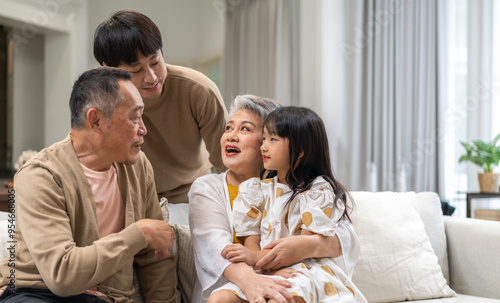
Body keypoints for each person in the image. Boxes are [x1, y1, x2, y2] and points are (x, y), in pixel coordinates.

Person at [0, 67, 177, 303]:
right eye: (134, 118)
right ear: (96, 120)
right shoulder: (40, 175)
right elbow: (62, 275)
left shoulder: (139, 167)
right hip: (37, 293)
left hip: (107, 299)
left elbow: (156, 257)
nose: (143, 129)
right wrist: (139, 233)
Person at [189, 96, 360, 303]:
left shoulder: (314, 190)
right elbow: (217, 250)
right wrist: (259, 274)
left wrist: (308, 247)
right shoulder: (212, 188)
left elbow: (344, 237)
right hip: (253, 277)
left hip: (297, 271)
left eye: (245, 129)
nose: (231, 136)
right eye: (228, 128)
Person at [94, 10, 227, 204]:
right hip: (132, 199)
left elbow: (227, 162)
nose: (152, 77)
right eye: (136, 70)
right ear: (109, 70)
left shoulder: (199, 90)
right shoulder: (101, 103)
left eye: (155, 62)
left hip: (192, 193)